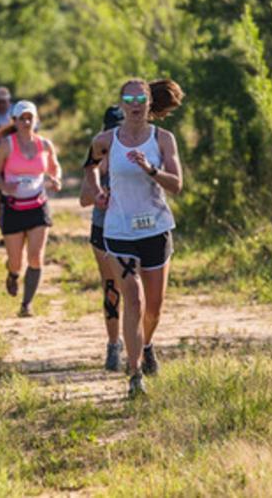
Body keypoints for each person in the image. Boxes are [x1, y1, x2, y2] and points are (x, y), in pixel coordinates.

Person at [83, 79, 184, 398]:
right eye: (129, 98)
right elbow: (89, 172)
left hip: (155, 229)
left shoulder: (164, 139)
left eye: (141, 98)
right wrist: (97, 192)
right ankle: (135, 372)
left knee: (154, 307)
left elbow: (177, 185)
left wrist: (150, 169)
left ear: (149, 103)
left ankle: (147, 344)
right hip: (119, 230)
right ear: (122, 104)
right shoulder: (104, 140)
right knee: (134, 299)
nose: (135, 103)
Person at [0, 100, 62, 317]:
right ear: (15, 120)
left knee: (36, 257)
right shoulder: (7, 145)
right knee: (16, 261)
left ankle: (26, 304)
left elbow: (54, 167)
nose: (26, 121)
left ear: (36, 120)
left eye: (30, 117)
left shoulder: (45, 145)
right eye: (22, 118)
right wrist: (4, 186)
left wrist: (56, 179)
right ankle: (12, 274)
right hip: (13, 207)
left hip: (38, 207)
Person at [80, 105, 126, 371]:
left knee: (135, 289)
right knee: (112, 287)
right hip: (103, 229)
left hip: (134, 230)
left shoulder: (137, 150)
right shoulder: (97, 155)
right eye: (110, 130)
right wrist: (100, 194)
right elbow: (84, 199)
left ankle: (140, 345)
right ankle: (112, 344)